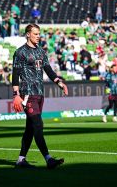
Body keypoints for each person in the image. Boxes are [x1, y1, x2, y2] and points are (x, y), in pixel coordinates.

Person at [12, 24, 68, 169]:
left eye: (39, 34)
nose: (38, 36)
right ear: (28, 34)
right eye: (35, 34)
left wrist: (59, 82)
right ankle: (48, 159)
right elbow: (15, 74)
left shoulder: (41, 52)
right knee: (38, 125)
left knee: (30, 128)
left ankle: (20, 160)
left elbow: (48, 69)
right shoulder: (20, 52)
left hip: (39, 94)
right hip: (27, 94)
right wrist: (16, 95)